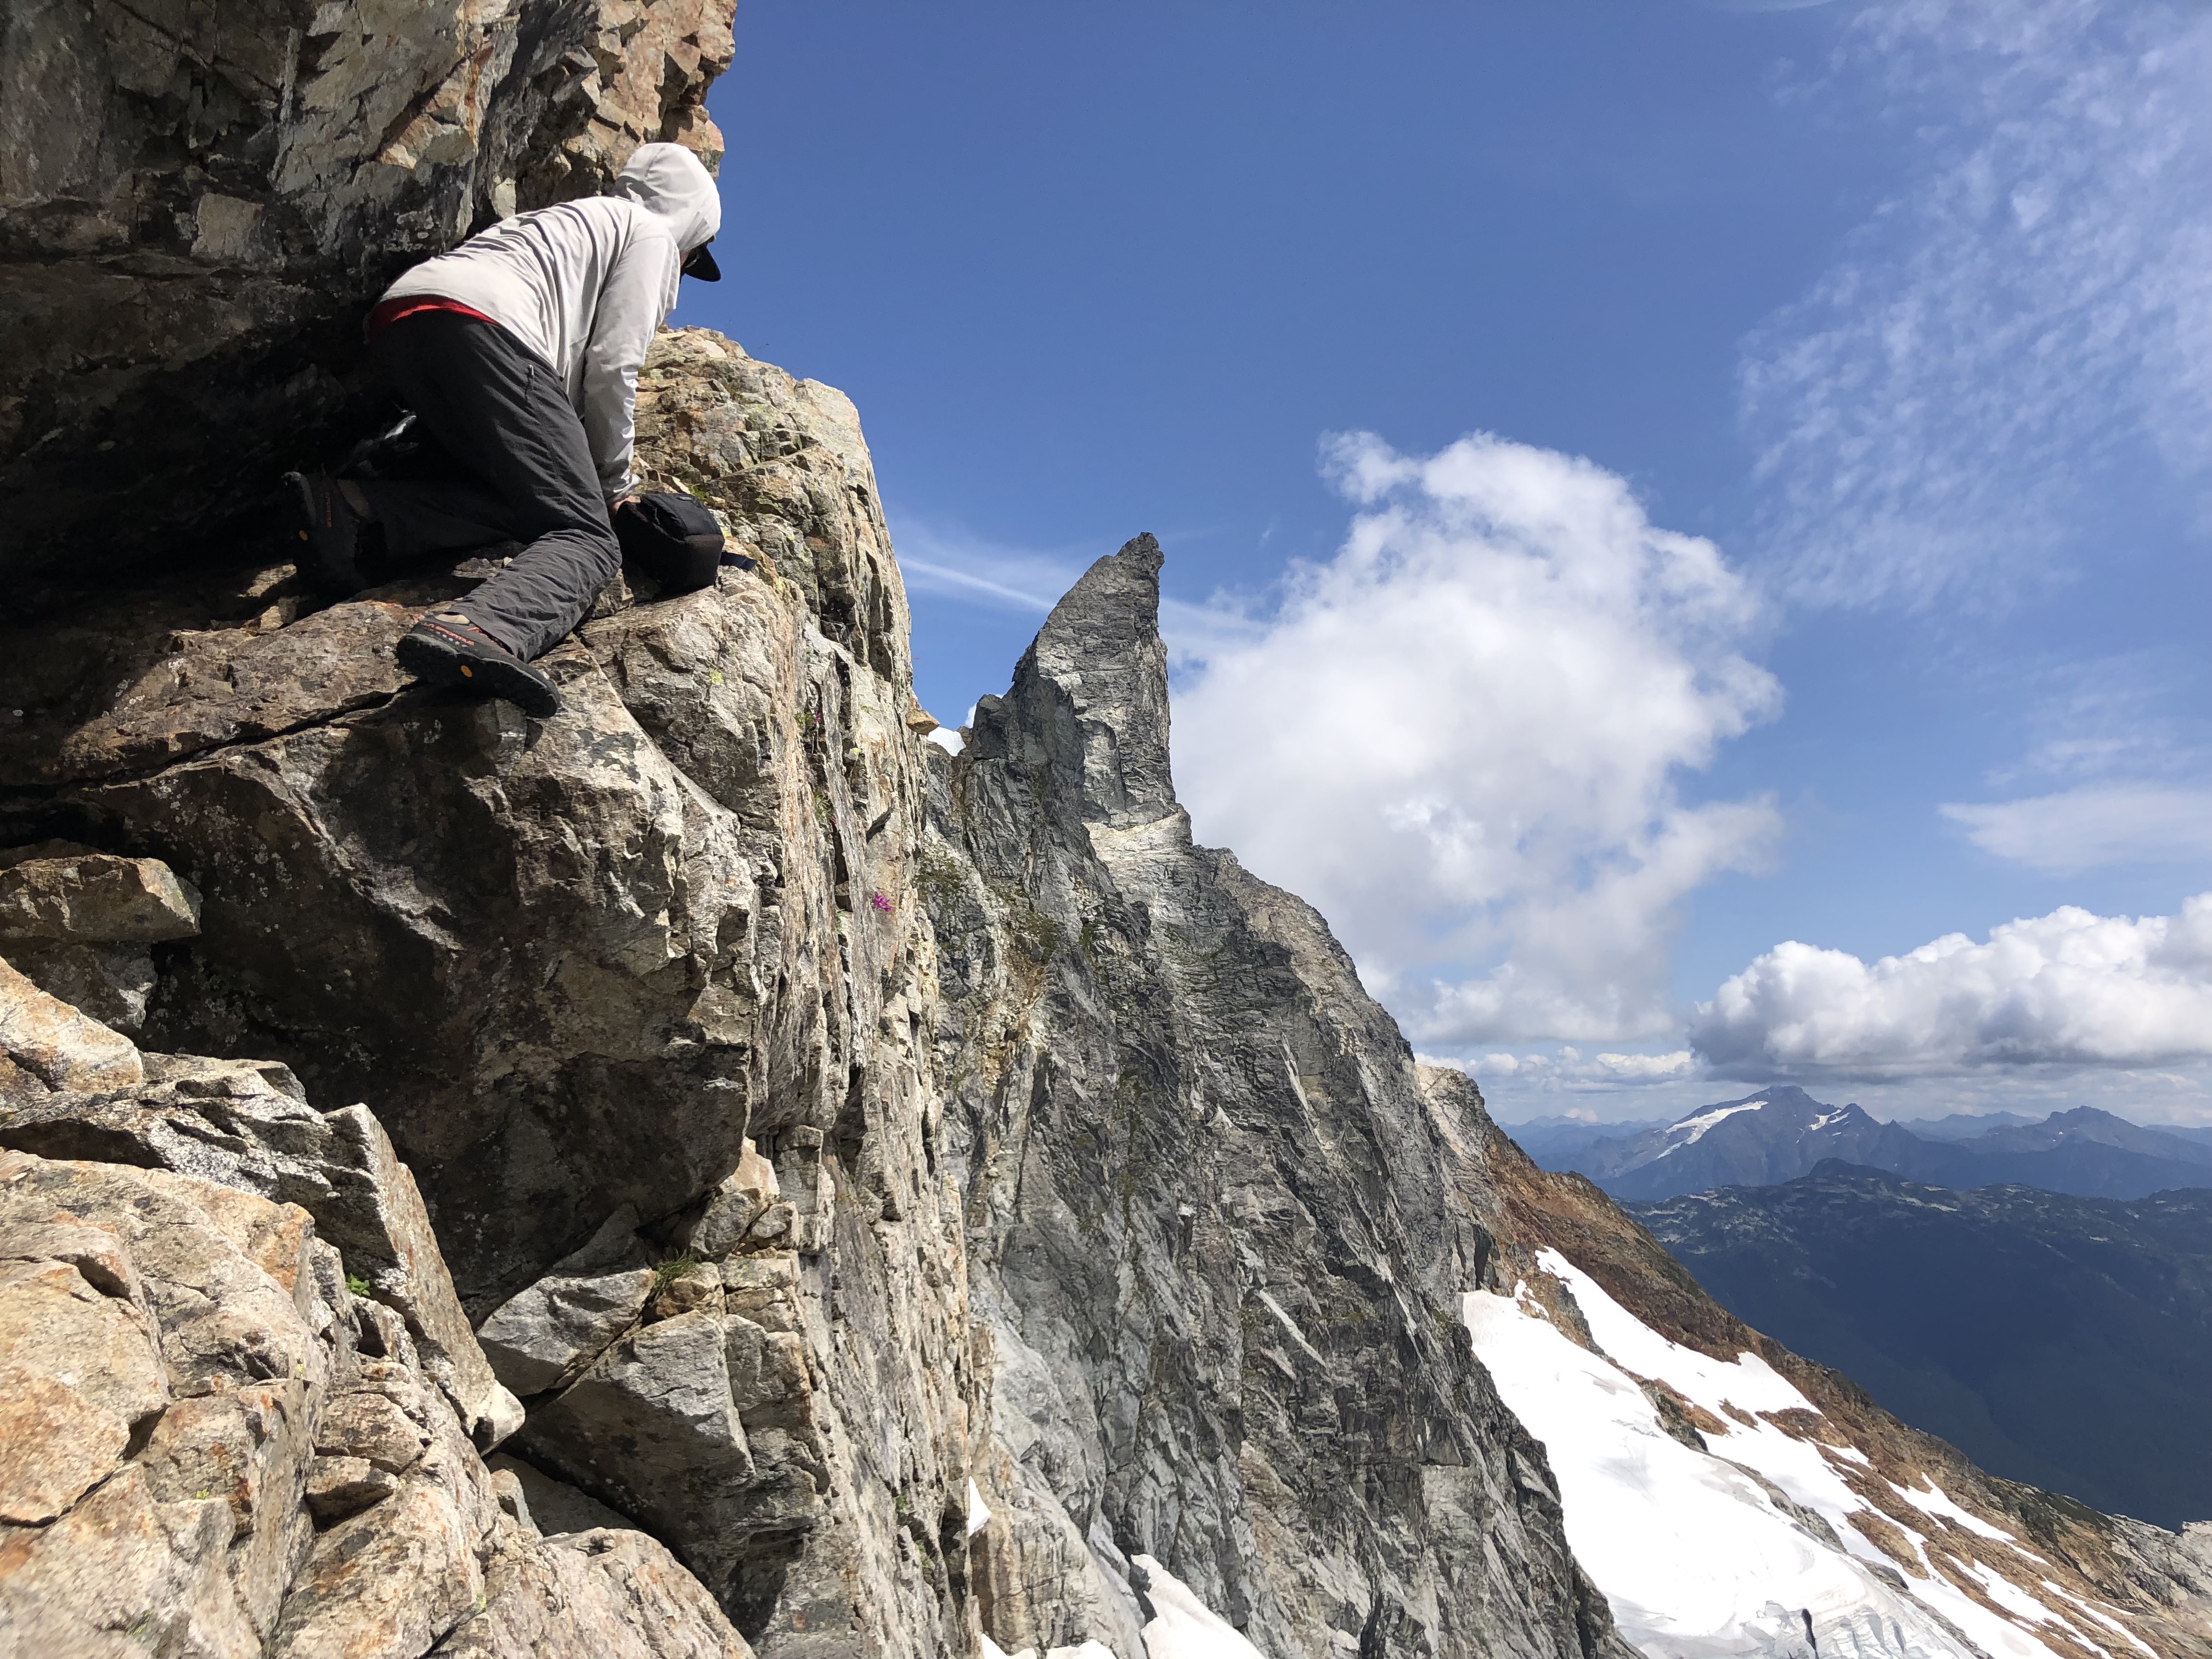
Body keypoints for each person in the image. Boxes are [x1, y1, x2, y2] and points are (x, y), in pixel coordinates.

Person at [286, 142, 724, 718]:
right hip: (491, 328)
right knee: (587, 538)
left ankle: (347, 509)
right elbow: (614, 363)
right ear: (692, 221)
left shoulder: (569, 220)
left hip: (407, 317)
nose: (688, 265)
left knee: (519, 502)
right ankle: (482, 632)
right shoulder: (652, 237)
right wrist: (614, 487)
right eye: (696, 257)